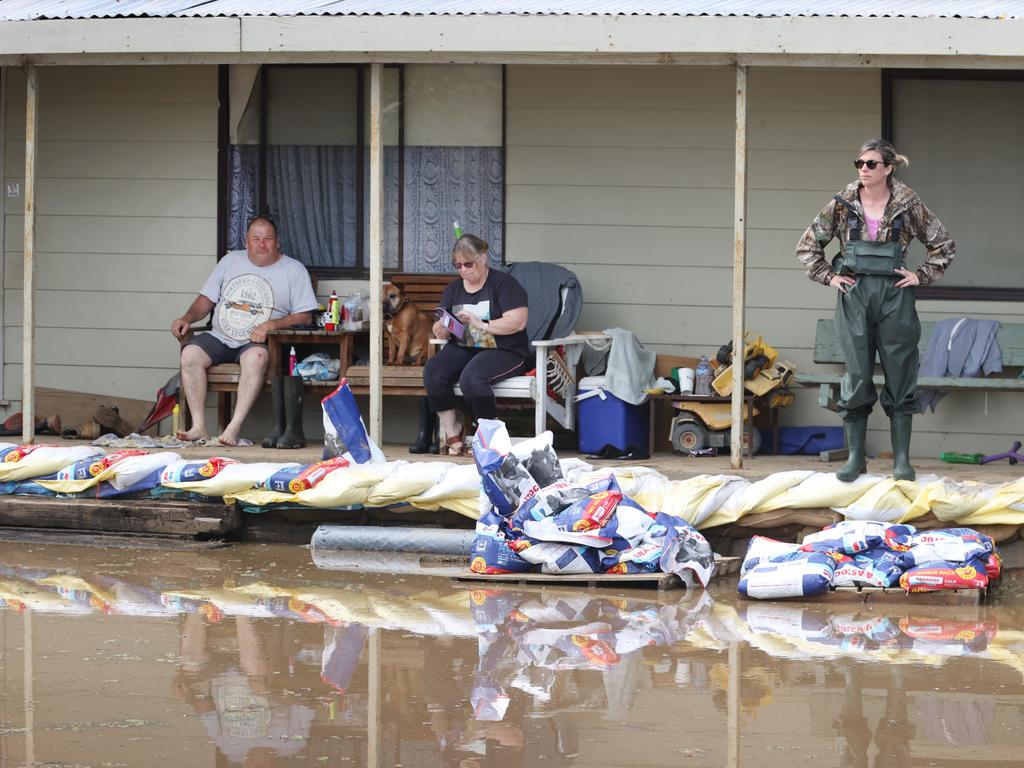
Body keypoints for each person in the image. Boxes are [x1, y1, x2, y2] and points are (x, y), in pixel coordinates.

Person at [796, 138, 955, 481]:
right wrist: (829, 277)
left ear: (888, 168)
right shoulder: (841, 205)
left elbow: (944, 245)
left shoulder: (909, 205)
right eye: (859, 164)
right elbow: (808, 246)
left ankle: (901, 461)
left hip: (894, 295)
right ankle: (855, 459)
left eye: (870, 164)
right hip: (854, 293)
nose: (863, 170)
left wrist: (921, 275)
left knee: (900, 371)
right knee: (856, 374)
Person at [171, 215, 318, 446]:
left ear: (277, 241)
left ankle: (233, 427)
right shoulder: (230, 262)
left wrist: (271, 325)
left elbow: (305, 315)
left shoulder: (293, 270)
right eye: (256, 239)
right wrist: (187, 318)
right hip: (220, 336)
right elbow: (206, 299)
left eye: (268, 238)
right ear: (246, 242)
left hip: (255, 341)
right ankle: (198, 426)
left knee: (256, 358)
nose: (262, 244)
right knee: (189, 354)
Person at [424, 235, 530, 455]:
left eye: (468, 264)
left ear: (483, 258)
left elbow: (517, 321)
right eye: (458, 265)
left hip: (505, 349)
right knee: (434, 370)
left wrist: (481, 324)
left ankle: (490, 438)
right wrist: (444, 326)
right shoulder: (454, 289)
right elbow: (440, 327)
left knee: (472, 377)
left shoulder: (504, 284)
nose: (463, 270)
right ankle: (453, 430)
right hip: (464, 346)